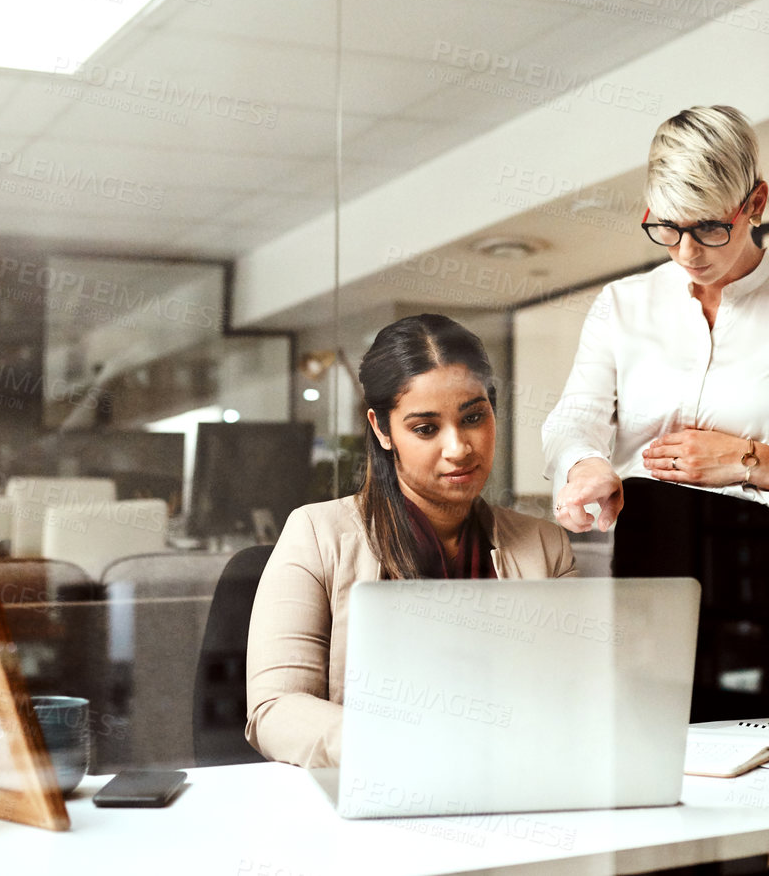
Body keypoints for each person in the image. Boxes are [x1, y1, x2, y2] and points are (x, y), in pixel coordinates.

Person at [544, 105, 769, 717]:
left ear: (756, 203)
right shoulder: (622, 305)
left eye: (710, 227)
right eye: (667, 228)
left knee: (764, 775)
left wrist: (754, 461)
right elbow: (574, 415)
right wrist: (584, 465)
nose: (687, 251)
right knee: (644, 764)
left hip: (767, 580)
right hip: (646, 574)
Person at [245, 314, 577, 768]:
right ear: (383, 430)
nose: (459, 448)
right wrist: (401, 743)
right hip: (377, 784)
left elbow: (581, 697)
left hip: (514, 780)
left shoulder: (545, 547)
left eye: (474, 417)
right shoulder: (318, 535)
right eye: (425, 428)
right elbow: (275, 710)